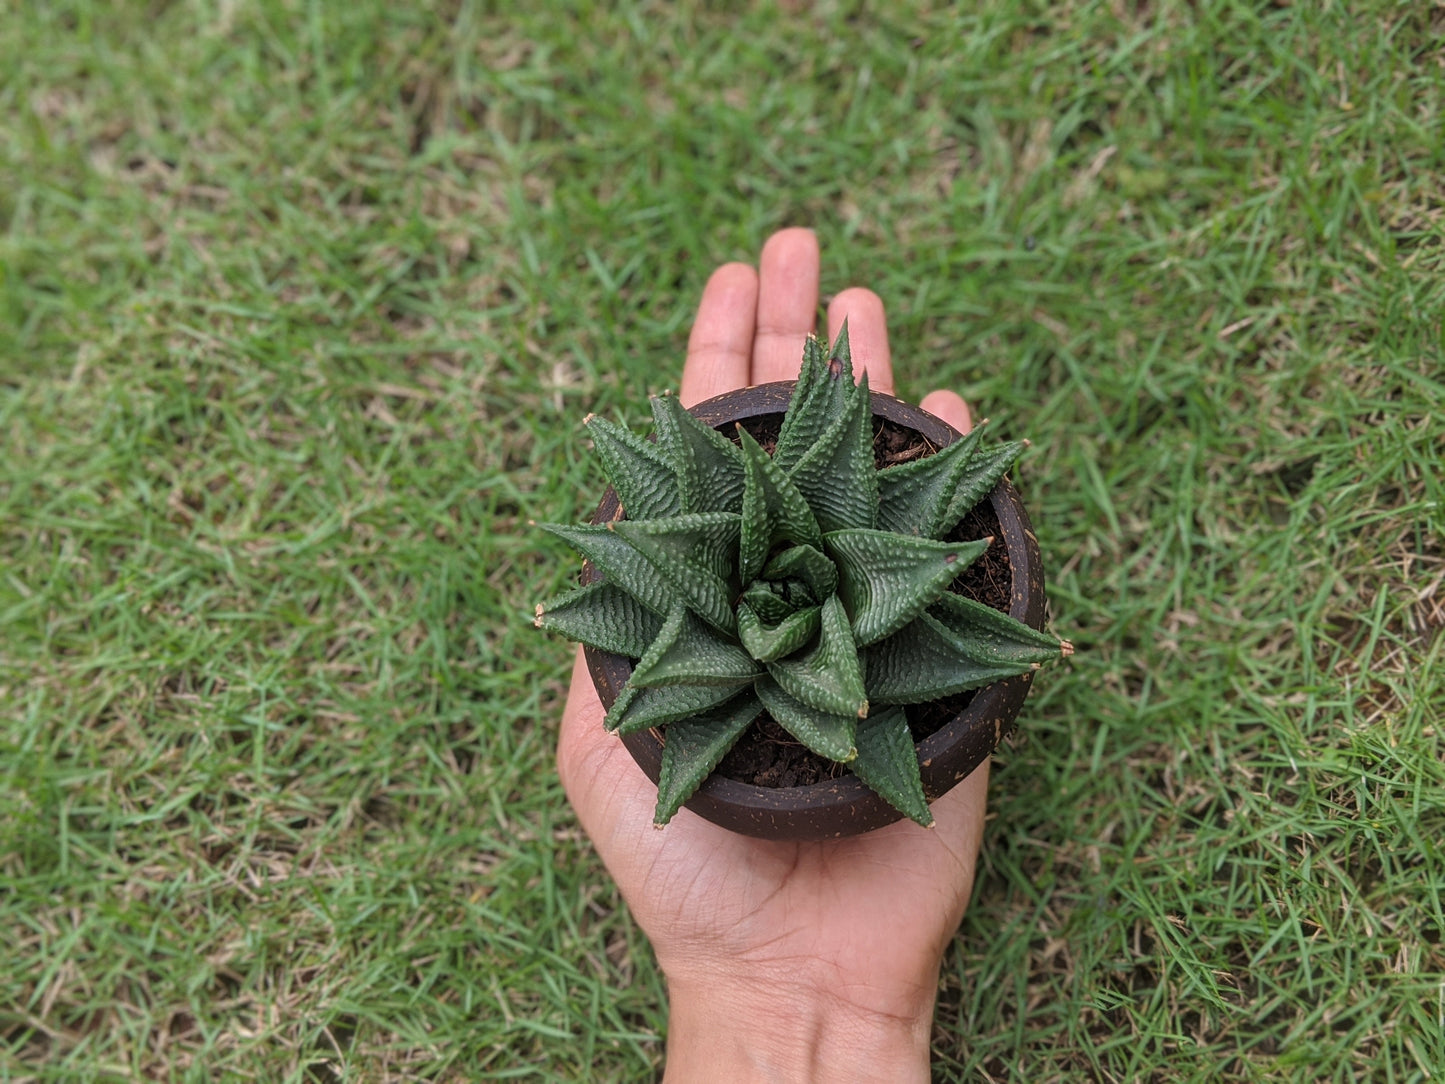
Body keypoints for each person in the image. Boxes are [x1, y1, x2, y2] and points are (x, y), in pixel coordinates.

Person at [556, 228, 988, 1082]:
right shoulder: (713, 628)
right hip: (769, 668)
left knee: (940, 533)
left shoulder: (837, 594)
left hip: (851, 631)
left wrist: (755, 990)